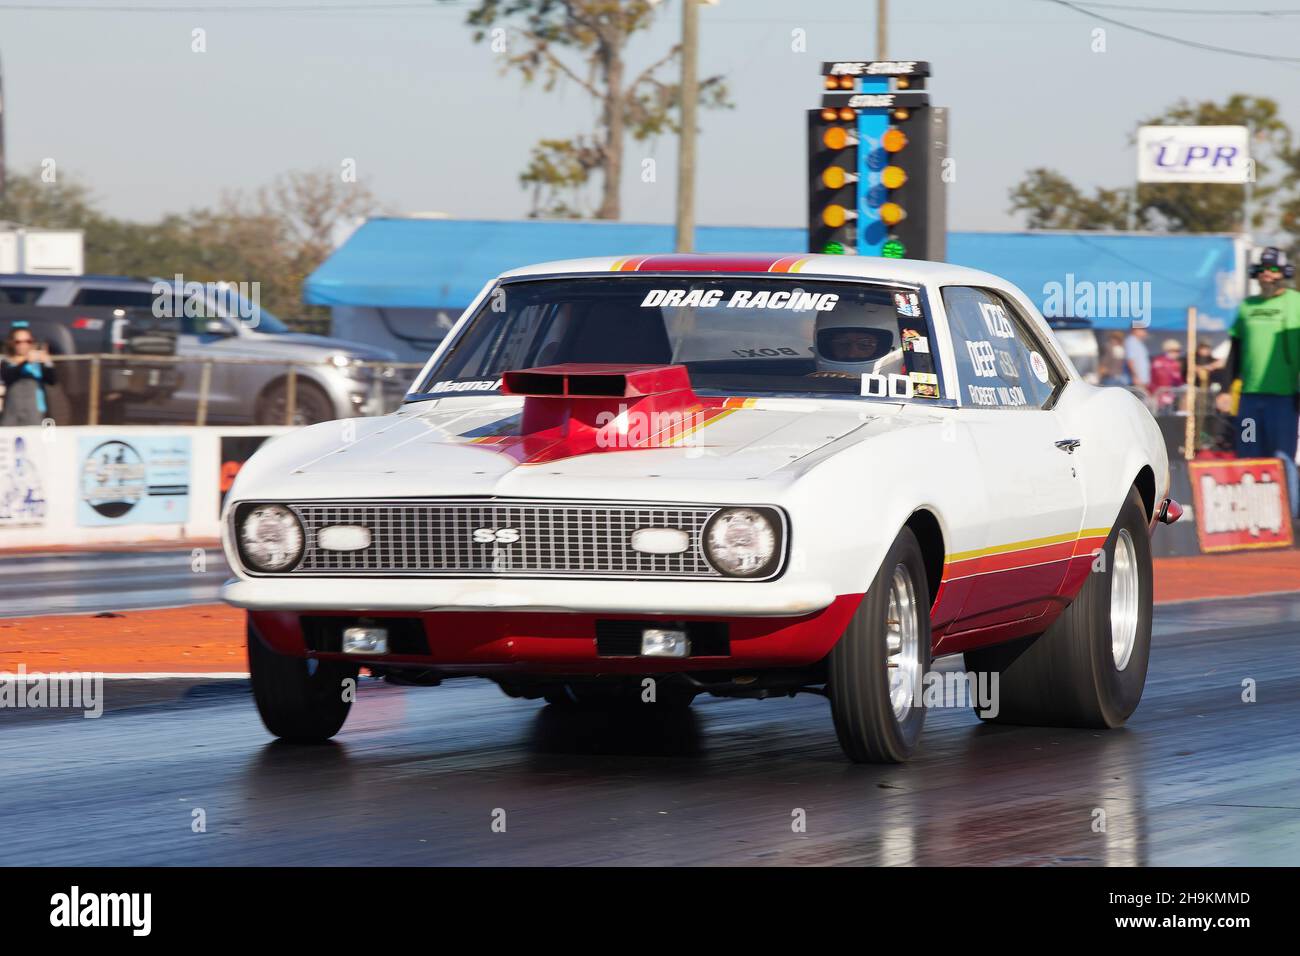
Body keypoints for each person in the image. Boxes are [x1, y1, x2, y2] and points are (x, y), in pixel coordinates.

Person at [1229, 246, 1300, 517]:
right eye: (1262, 270)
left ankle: (1288, 520)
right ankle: (1251, 519)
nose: (1267, 276)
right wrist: (1227, 388)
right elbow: (1235, 349)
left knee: (1282, 458)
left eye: (1273, 270)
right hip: (1250, 400)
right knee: (1248, 455)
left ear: (1284, 273)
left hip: (1283, 399)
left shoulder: (1296, 302)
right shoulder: (1248, 307)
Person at [1, 323, 58, 427]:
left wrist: (47, 363)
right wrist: (26, 361)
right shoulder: (6, 362)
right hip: (12, 414)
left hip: (35, 414)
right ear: (12, 343)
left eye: (28, 341)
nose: (24, 345)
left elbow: (52, 381)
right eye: (18, 342)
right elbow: (9, 377)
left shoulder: (38, 364)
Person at [1149, 338, 1185, 411]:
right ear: (1169, 351)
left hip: (1160, 393)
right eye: (1176, 351)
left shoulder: (1158, 360)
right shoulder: (1171, 363)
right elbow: (1176, 380)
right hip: (1162, 394)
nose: (1178, 353)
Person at [1123, 326, 1151, 395]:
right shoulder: (1131, 342)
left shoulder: (1138, 342)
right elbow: (1130, 360)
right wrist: (1135, 376)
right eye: (1142, 329)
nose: (1145, 332)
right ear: (1135, 330)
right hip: (1136, 381)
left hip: (1141, 381)